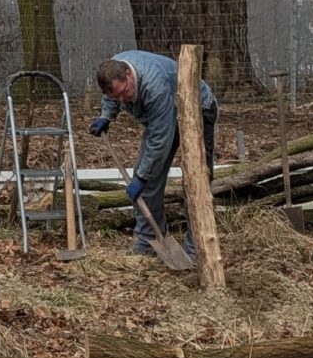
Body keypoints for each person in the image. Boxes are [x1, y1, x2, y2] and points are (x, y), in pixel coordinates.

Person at [88, 51, 217, 258]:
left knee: (197, 181)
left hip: (198, 109)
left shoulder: (154, 87)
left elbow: (159, 141)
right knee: (146, 181)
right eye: (116, 97)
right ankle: (149, 240)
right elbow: (112, 96)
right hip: (164, 116)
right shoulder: (114, 69)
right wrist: (106, 116)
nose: (122, 100)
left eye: (124, 93)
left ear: (129, 75)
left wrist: (142, 177)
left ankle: (197, 246)